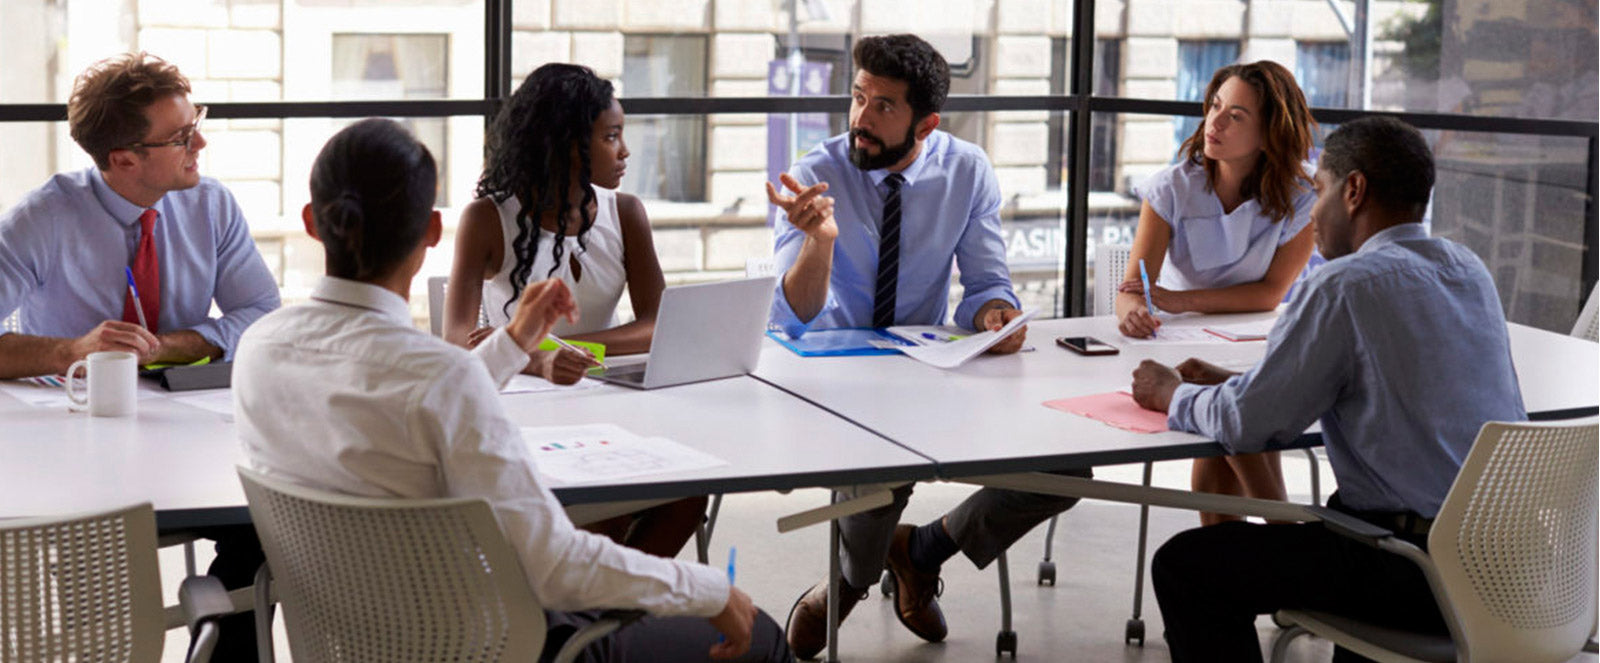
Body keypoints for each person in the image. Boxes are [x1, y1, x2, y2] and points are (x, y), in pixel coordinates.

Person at [235, 118, 791, 663]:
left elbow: (428, 393)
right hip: (488, 641)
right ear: (431, 231)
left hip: (349, 641)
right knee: (762, 637)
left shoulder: (261, 348)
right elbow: (556, 569)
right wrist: (711, 591)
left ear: (312, 221)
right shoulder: (436, 376)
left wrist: (514, 343)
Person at [1130, 116, 1526, 663]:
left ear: (1355, 191)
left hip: (1413, 567)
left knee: (1186, 567)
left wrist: (1170, 394)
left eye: (1319, 192)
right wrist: (1257, 383)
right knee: (1336, 536)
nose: (1312, 213)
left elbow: (1250, 425)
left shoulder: (1344, 284)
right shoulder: (1468, 270)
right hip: (1503, 562)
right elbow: (1389, 387)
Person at [766, 34, 1085, 659]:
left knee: (1066, 469)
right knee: (878, 470)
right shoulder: (813, 174)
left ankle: (923, 549)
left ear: (927, 122)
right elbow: (793, 315)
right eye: (858, 97)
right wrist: (820, 241)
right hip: (836, 373)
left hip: (926, 365)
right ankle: (847, 587)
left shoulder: (967, 171)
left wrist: (997, 314)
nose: (861, 117)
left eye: (883, 105)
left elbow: (988, 286)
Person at [0, 51, 280, 659]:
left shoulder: (211, 205)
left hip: (193, 434)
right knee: (107, 605)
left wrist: (179, 343)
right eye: (181, 136)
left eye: (196, 120)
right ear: (124, 159)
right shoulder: (41, 218)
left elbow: (262, 311)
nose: (200, 142)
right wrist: (71, 350)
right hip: (81, 450)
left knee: (267, 522)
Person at [446, 63, 705, 558]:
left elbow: (658, 325)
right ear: (567, 143)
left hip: (608, 404)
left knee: (691, 492)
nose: (626, 151)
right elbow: (456, 343)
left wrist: (563, 348)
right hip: (521, 410)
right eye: (611, 137)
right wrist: (536, 359)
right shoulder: (486, 219)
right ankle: (598, 620)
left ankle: (611, 618)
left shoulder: (625, 213)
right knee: (609, 508)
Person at [1115, 61, 1318, 526]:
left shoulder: (1304, 194)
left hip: (1259, 340)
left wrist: (1178, 301)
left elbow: (1270, 294)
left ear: (1269, 134)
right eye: (1215, 107)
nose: (1215, 122)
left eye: (1236, 116)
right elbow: (1133, 290)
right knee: (1228, 422)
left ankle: (1256, 547)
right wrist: (1133, 312)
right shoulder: (1172, 188)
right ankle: (1279, 536)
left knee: (1228, 416)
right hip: (1186, 344)